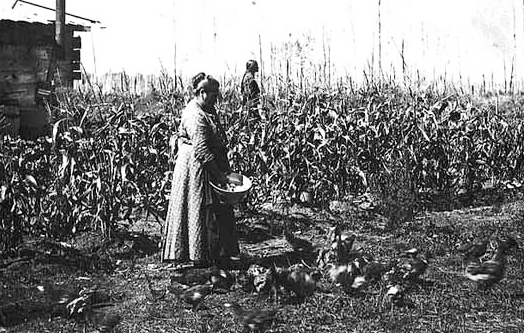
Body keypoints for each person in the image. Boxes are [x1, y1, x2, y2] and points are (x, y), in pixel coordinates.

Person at [162, 73, 239, 268]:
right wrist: (220, 176)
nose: (217, 97)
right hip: (196, 168)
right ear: (202, 93)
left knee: (215, 211)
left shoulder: (207, 109)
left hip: (207, 164)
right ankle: (204, 257)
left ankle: (217, 255)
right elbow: (203, 150)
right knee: (204, 210)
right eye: (214, 93)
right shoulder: (195, 114)